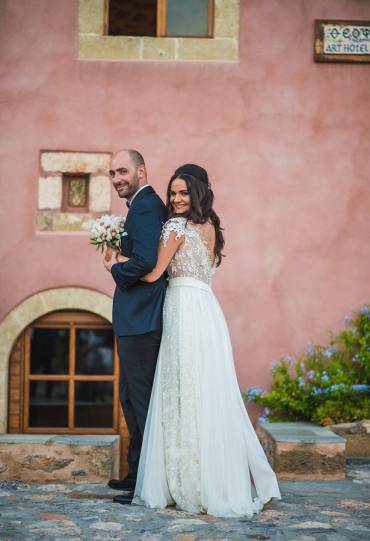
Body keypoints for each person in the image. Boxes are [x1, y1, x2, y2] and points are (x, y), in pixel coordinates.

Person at [116, 171, 281, 517]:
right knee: (205, 391)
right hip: (207, 311)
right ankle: (210, 479)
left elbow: (152, 272)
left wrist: (115, 260)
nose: (175, 200)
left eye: (183, 193)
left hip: (183, 310)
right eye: (172, 193)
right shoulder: (211, 229)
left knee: (184, 391)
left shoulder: (176, 227)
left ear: (197, 194)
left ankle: (185, 480)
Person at [103, 149, 167, 505]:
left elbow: (145, 261)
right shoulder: (141, 206)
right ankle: (136, 474)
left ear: (142, 171)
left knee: (141, 402)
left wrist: (113, 267)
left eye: (123, 171)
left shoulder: (146, 206)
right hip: (135, 320)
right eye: (112, 173)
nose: (117, 178)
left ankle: (147, 483)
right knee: (130, 398)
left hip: (143, 320)